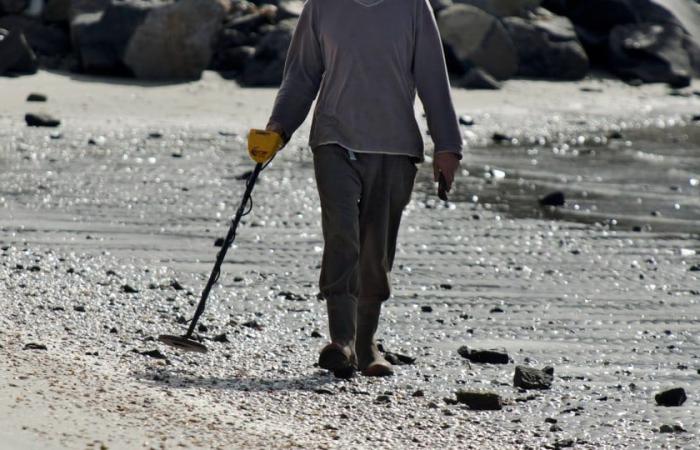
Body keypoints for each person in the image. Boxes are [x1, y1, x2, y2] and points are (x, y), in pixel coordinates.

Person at [262, 0, 463, 377]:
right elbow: (302, 74)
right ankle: (342, 340)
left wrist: (447, 146)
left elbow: (433, 78)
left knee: (376, 248)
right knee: (341, 236)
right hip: (333, 141)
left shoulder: (413, 8)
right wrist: (279, 128)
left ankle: (367, 341)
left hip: (395, 147)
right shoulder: (321, 7)